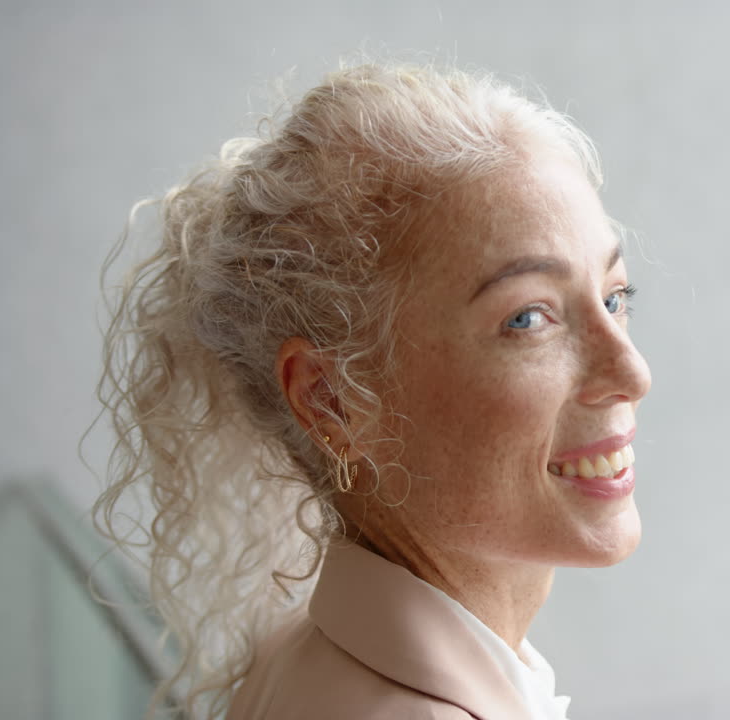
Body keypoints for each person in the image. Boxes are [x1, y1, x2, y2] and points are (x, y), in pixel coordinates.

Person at [94, 61, 652, 720]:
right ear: (333, 400)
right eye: (527, 318)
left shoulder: (298, 655)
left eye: (614, 297)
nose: (631, 371)